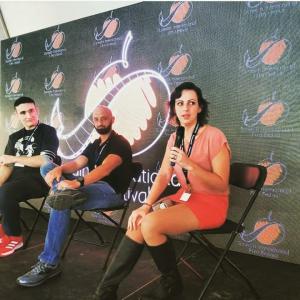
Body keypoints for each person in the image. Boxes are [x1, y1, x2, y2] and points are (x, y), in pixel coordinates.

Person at [89, 82, 231, 300]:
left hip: (211, 203)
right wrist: (145, 206)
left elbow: (221, 185)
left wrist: (190, 164)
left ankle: (171, 285)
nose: (185, 108)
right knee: (138, 220)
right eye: (180, 103)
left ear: (200, 107)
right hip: (184, 197)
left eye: (191, 103)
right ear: (174, 107)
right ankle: (105, 291)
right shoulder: (176, 138)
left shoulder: (214, 136)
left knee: (151, 224)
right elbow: (164, 175)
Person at [16, 105, 132, 287]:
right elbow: (78, 163)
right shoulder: (95, 144)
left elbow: (105, 168)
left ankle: (49, 263)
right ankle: (62, 193)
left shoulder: (120, 142)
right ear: (93, 121)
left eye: (104, 118)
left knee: (63, 197)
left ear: (112, 119)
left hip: (111, 192)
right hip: (91, 187)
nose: (100, 122)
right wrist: (60, 169)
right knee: (48, 167)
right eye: (96, 119)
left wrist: (77, 183)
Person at [0, 96, 58, 257]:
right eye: (23, 112)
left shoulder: (48, 131)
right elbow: (7, 166)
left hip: (39, 179)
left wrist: (14, 158)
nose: (28, 115)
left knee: (6, 192)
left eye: (31, 110)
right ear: (17, 115)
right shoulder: (14, 137)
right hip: (16, 180)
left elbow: (45, 160)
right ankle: (2, 231)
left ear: (37, 110)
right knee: (2, 188)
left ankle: (14, 237)